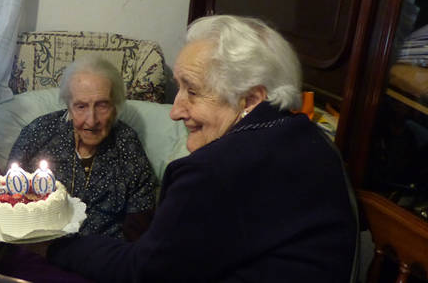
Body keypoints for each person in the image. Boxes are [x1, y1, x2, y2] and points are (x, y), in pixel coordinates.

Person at [43, 15, 358, 282]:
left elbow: (146, 272)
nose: (175, 111)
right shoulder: (311, 137)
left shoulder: (213, 171)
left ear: (250, 100)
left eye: (191, 91)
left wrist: (53, 247)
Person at [8, 55, 157, 241]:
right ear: (68, 106)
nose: (92, 120)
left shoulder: (127, 144)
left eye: (102, 106)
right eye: (81, 106)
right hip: (38, 248)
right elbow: (9, 201)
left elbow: (140, 223)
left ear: (115, 106)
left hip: (103, 259)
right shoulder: (39, 134)